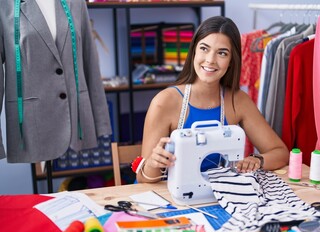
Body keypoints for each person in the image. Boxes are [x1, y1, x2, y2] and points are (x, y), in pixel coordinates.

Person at [137, 16, 289, 183]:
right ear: (194, 50)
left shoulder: (238, 101)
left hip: (212, 195)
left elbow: (280, 152)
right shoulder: (164, 102)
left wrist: (257, 160)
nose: (210, 60)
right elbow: (144, 178)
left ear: (231, 61)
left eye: (222, 53)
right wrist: (153, 162)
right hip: (169, 195)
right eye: (204, 48)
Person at [0, 0, 111, 164]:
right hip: (32, 126)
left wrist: (101, 123)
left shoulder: (75, 2)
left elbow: (90, 61)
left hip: (75, 116)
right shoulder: (5, 4)